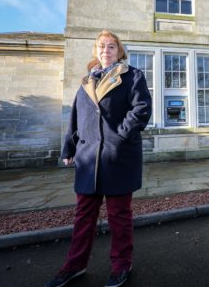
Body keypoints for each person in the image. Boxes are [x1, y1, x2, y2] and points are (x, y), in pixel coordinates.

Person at [46, 29, 152, 287]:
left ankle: (121, 265)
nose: (106, 50)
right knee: (83, 216)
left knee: (119, 216)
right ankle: (75, 265)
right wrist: (68, 149)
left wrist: (120, 136)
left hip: (118, 158)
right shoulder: (85, 83)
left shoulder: (132, 76)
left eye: (111, 46)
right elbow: (76, 119)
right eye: (102, 46)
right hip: (87, 159)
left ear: (119, 51)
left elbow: (141, 110)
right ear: (96, 51)